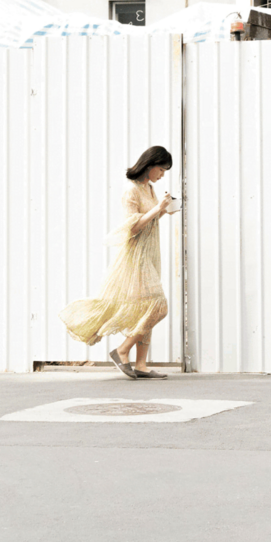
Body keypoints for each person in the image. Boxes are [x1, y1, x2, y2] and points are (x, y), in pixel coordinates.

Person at [58, 145, 176, 379]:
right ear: (150, 165)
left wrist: (165, 210)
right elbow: (132, 227)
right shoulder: (131, 191)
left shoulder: (149, 188)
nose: (162, 175)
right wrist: (158, 209)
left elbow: (150, 220)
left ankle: (141, 365)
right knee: (158, 306)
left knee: (145, 307)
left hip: (150, 253)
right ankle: (122, 350)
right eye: (161, 169)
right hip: (136, 256)